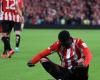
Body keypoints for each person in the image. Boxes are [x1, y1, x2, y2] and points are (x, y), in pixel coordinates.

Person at [27, 30, 92, 80]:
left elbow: (88, 54)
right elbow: (41, 54)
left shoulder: (78, 42)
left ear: (70, 39)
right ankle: (62, 78)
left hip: (77, 71)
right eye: (62, 43)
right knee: (42, 59)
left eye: (66, 43)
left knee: (82, 60)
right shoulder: (57, 44)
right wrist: (33, 61)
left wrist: (85, 63)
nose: (64, 45)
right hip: (65, 72)